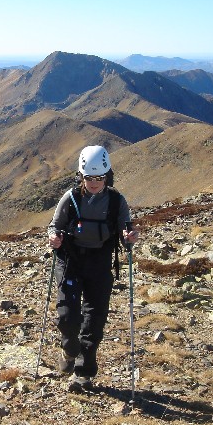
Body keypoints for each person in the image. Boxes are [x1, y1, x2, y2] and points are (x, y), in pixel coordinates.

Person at [47, 145, 138, 392]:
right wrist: (54, 238)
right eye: (89, 178)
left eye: (99, 178)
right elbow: (54, 225)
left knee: (94, 320)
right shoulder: (71, 198)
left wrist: (129, 238)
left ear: (107, 176)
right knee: (67, 316)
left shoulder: (117, 201)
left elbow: (125, 229)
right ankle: (69, 350)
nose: (94, 183)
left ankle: (83, 372)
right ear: (81, 176)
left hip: (100, 262)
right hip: (71, 261)